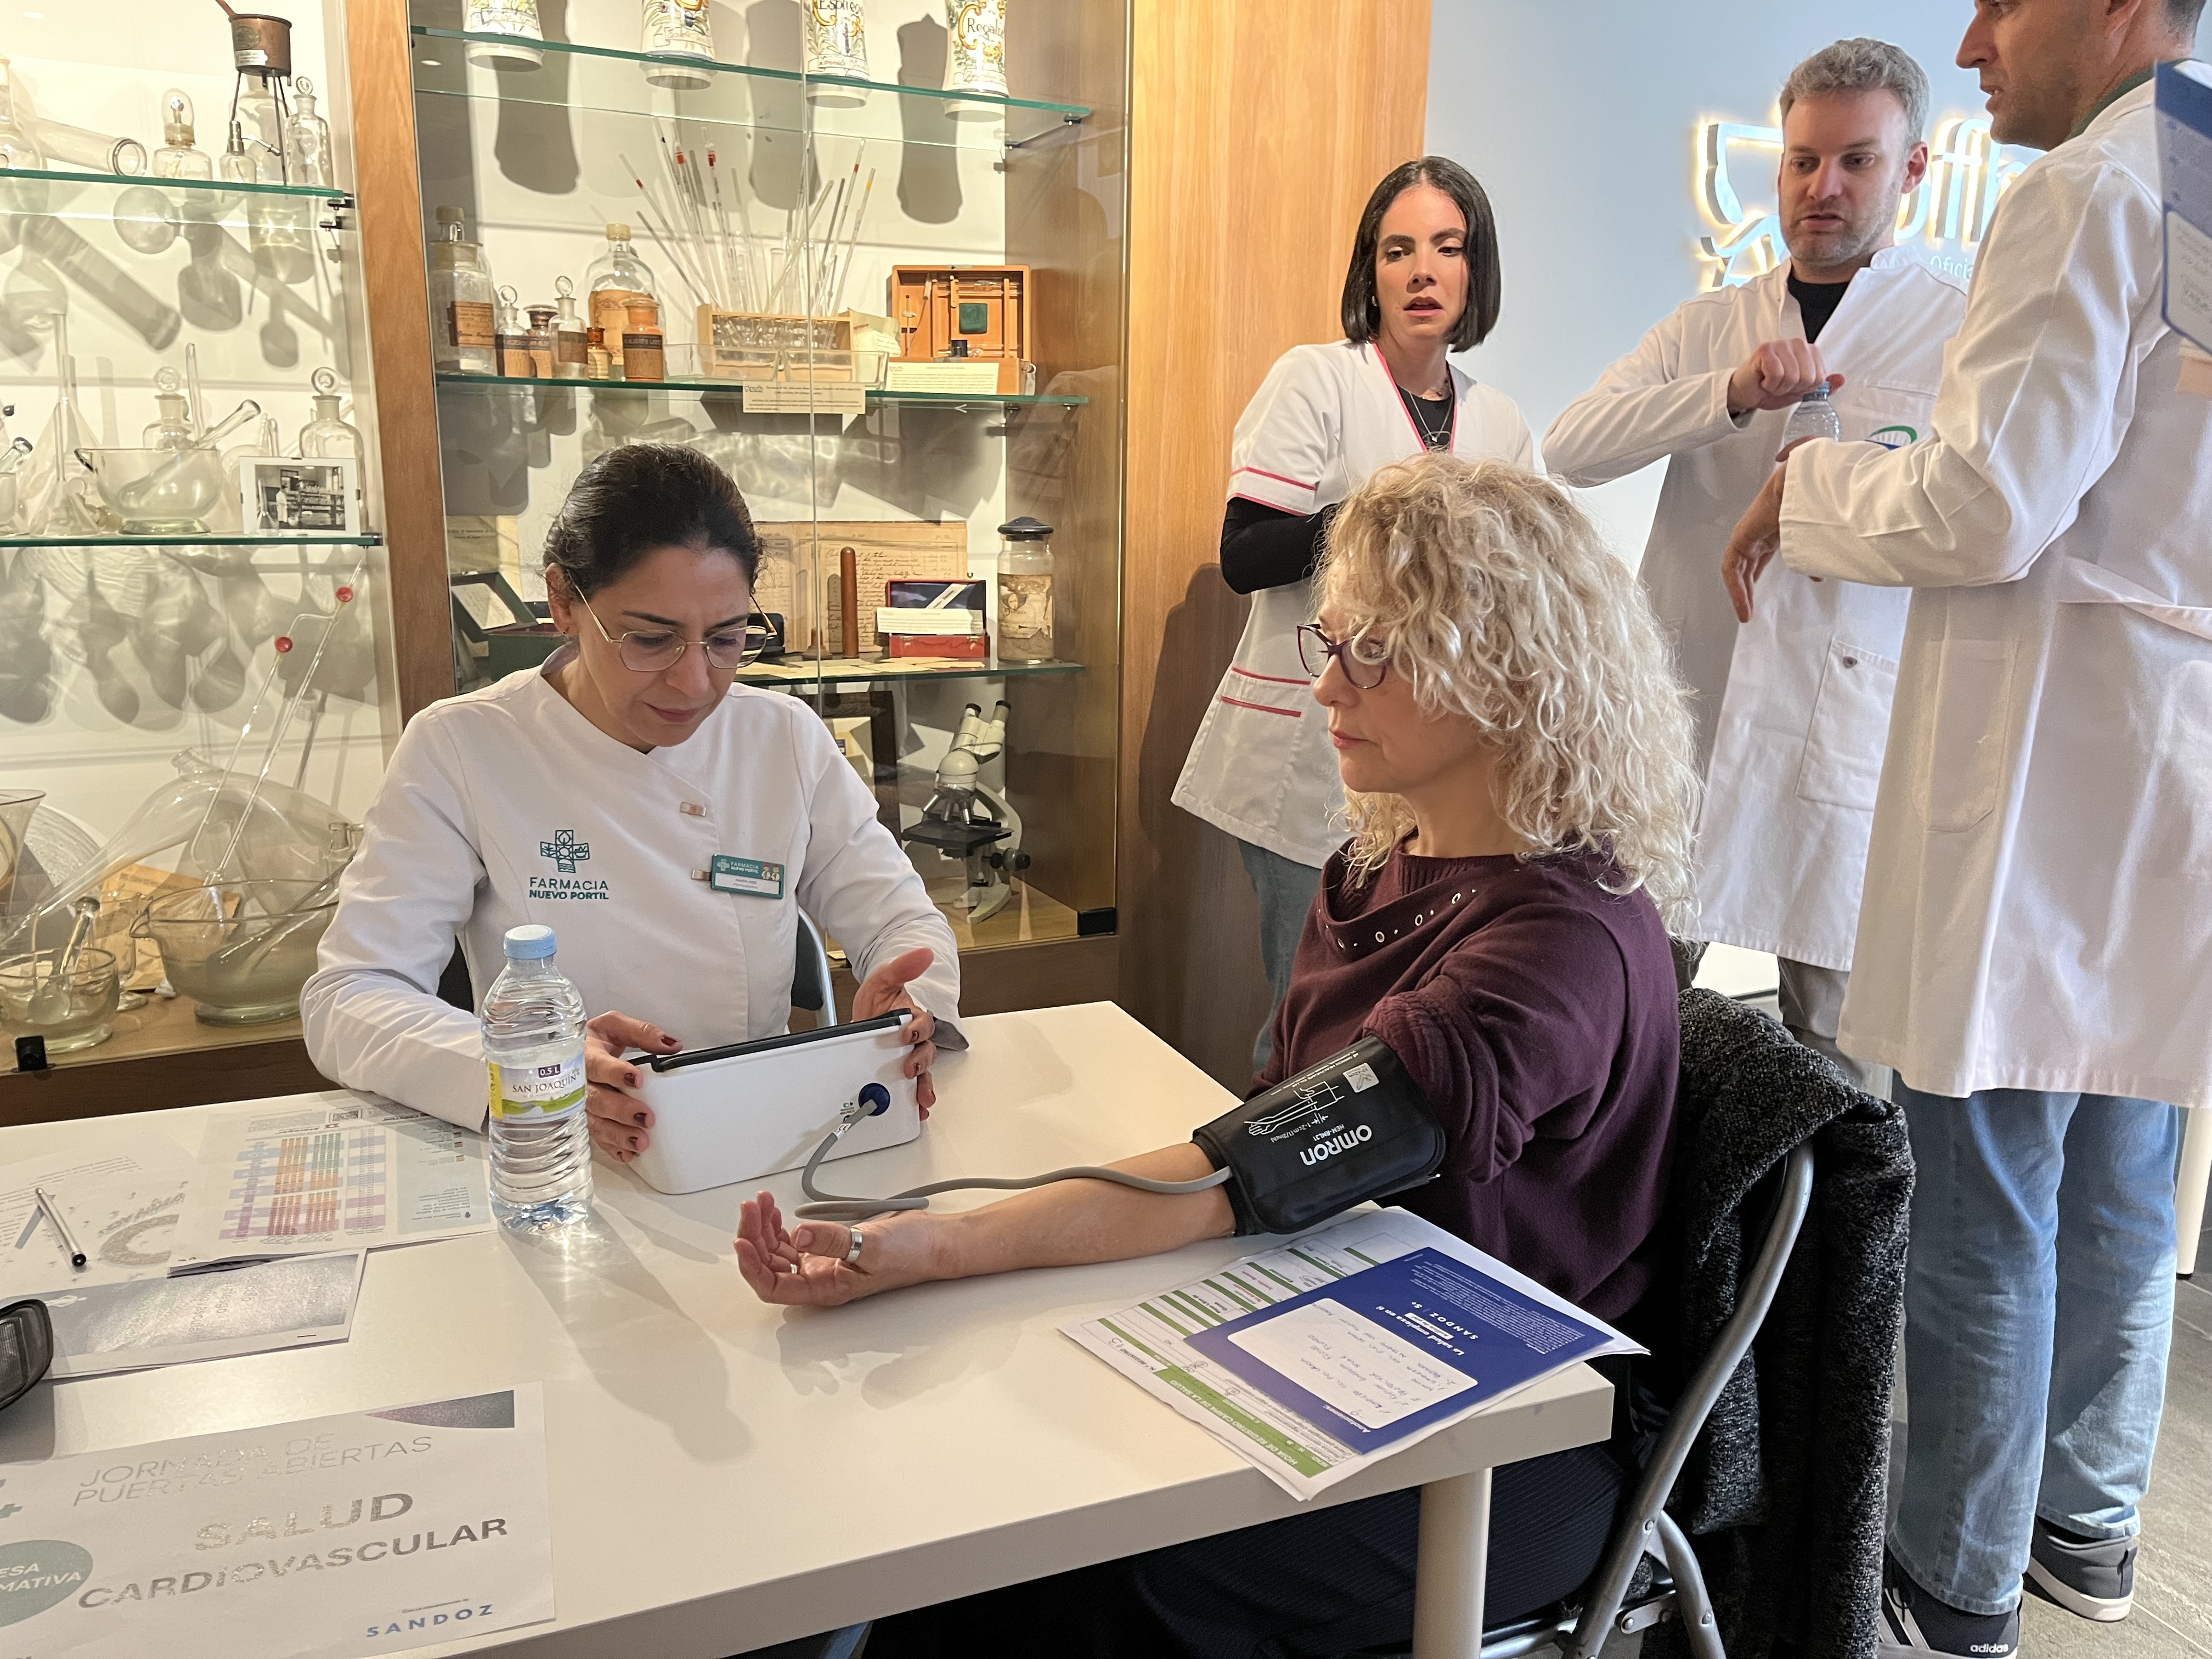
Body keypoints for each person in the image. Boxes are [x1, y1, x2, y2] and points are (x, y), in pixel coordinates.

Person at [740, 456, 1701, 1657]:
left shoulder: (1559, 945)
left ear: (1501, 673)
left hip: (1510, 1440)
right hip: (1348, 1325)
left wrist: (928, 1245)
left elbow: (1253, 1167)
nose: (1328, 690)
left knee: (1059, 1577)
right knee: (1009, 1503)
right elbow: (1267, 1150)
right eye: (1331, 644)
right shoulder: (1376, 861)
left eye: (1376, 656)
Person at [1721, 2, 2209, 1652]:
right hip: (2166, 767)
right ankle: (2087, 1526)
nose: (1977, 30)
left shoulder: (2085, 190)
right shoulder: (2203, 173)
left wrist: (1819, 483)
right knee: (2128, 1170)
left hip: (2044, 768)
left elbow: (1994, 502)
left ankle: (1951, 1576)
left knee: (1983, 1178)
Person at [302, 444, 961, 1151]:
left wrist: (910, 1005)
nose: (696, 682)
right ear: (563, 601)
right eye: (651, 639)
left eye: (726, 639)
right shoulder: (465, 747)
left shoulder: (782, 737)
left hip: (763, 1132)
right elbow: (351, 998)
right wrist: (529, 1071)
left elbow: (901, 923)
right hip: (572, 1151)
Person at [1545, 39, 1966, 1079]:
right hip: (1689, 708)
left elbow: (1970, 508)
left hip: (1849, 726)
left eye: (1857, 161)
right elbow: (1573, 447)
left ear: (1915, 169)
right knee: (1629, 1007)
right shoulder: (1712, 326)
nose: (1822, 188)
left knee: (1837, 1043)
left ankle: (1827, 1244)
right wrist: (1728, 395)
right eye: (1801, 161)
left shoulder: (1958, 332)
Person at [1171, 156, 1536, 1071]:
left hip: (1443, 769)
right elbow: (1245, 556)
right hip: (1314, 752)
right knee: (1309, 1025)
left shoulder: (1502, 424)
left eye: (1447, 249)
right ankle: (1264, 1194)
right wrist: (1386, 515)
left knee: (1402, 1026)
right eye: (1397, 250)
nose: (1422, 273)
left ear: (1474, 270)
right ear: (1367, 272)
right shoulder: (1319, 381)